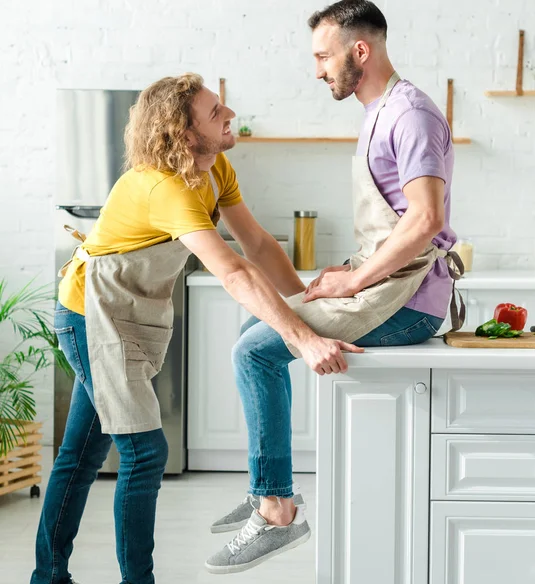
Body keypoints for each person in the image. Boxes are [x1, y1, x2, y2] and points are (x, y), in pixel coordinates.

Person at [31, 73, 362, 584]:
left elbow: (257, 246)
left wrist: (308, 307)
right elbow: (231, 271)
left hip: (128, 315)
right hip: (89, 317)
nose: (229, 116)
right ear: (183, 133)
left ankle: (47, 577)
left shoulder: (215, 167)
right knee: (145, 453)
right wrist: (303, 338)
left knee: (82, 453)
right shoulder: (165, 187)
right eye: (215, 114)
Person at [204, 0, 464, 574]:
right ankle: (265, 488)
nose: (318, 68)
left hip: (409, 302)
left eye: (324, 55)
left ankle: (276, 511)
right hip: (384, 287)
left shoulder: (410, 115)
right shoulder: (381, 110)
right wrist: (347, 277)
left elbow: (424, 220)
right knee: (260, 325)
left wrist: (354, 283)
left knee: (254, 352)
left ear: (360, 51)